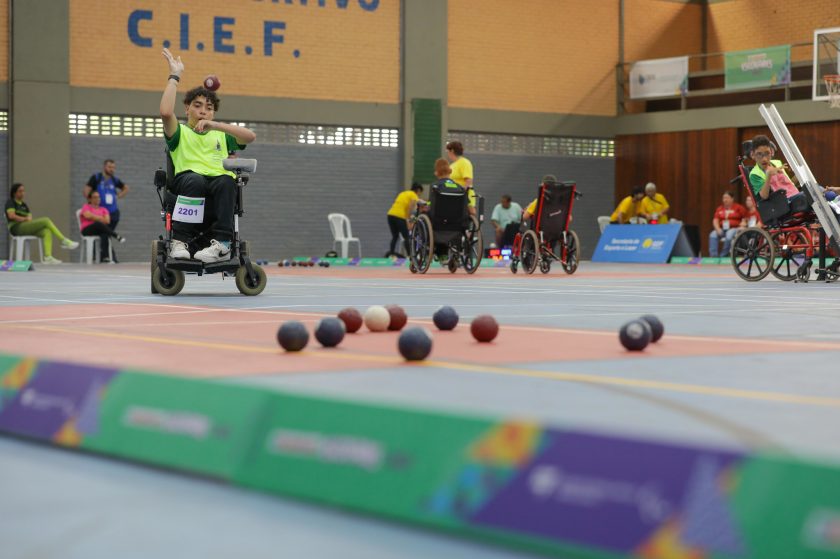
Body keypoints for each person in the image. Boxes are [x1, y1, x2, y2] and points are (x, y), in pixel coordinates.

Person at [159, 48, 257, 263]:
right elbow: (166, 112)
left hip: (216, 187)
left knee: (226, 181)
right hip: (189, 183)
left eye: (209, 108)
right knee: (195, 179)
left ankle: (222, 245)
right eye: (198, 106)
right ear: (187, 109)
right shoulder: (180, 132)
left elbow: (250, 137)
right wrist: (175, 76)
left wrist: (215, 125)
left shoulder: (221, 135)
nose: (204, 111)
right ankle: (179, 241)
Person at [5, 183, 79, 264]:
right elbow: (11, 216)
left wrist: (24, 219)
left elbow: (30, 219)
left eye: (23, 191)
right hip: (15, 228)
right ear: (14, 193)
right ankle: (64, 240)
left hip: (24, 226)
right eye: (20, 191)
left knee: (46, 231)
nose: (22, 193)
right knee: (46, 220)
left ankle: (48, 256)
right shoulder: (10, 202)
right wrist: (24, 219)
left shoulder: (24, 205)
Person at [79, 190, 125, 263]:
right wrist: (101, 218)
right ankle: (115, 235)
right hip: (87, 230)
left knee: (105, 233)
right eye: (95, 197)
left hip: (98, 230)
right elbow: (87, 215)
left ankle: (106, 257)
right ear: (90, 199)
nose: (97, 199)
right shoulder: (86, 206)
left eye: (98, 197)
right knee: (98, 224)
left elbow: (107, 221)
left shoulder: (103, 209)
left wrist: (93, 217)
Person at [83, 159, 129, 232]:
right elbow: (86, 190)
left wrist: (118, 196)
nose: (112, 169)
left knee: (108, 233)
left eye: (113, 167)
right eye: (109, 167)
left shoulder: (114, 180)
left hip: (113, 212)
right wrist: (90, 202)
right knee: (102, 233)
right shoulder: (97, 178)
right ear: (104, 167)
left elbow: (126, 188)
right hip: (100, 212)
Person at [386, 182, 424, 257]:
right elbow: (410, 207)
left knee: (395, 236)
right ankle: (410, 256)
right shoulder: (413, 195)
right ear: (418, 190)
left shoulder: (403, 193)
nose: (419, 194)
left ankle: (391, 254)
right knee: (406, 236)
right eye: (420, 192)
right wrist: (408, 219)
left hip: (390, 215)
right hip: (400, 216)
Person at [709, 191, 746, 257]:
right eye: (724, 198)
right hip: (722, 229)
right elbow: (715, 220)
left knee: (729, 234)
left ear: (732, 199)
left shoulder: (739, 207)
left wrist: (743, 224)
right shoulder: (720, 208)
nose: (725, 200)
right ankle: (713, 255)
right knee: (713, 235)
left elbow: (745, 218)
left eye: (727, 198)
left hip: (734, 229)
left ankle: (723, 255)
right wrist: (717, 229)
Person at [445, 141, 476, 216]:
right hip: (453, 196)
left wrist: (462, 195)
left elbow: (468, 181)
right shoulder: (452, 165)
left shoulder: (464, 163)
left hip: (464, 197)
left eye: (447, 151)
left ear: (452, 151)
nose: (447, 153)